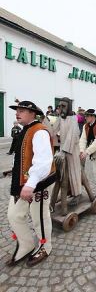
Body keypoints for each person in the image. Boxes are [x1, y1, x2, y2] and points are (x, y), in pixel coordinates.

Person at [7, 100, 55, 266]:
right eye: (17, 110)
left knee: (39, 217)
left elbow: (43, 162)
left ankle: (45, 246)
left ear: (33, 113)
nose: (17, 113)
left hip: (39, 182)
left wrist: (30, 184)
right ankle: (26, 244)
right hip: (24, 183)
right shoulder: (25, 130)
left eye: (21, 110)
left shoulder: (39, 131)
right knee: (14, 215)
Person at [51, 97, 82, 214]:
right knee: (63, 175)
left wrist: (64, 151)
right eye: (60, 106)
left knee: (74, 172)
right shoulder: (60, 118)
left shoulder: (73, 119)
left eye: (63, 106)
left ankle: (77, 194)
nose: (61, 108)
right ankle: (69, 192)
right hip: (63, 149)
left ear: (68, 106)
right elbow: (53, 130)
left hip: (72, 150)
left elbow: (73, 136)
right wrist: (43, 121)